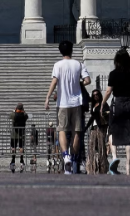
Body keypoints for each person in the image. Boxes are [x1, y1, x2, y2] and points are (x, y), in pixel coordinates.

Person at [45, 40, 85, 173]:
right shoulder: (79, 64)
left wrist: (47, 97)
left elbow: (54, 81)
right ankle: (73, 160)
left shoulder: (58, 65)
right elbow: (87, 80)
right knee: (76, 132)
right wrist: (78, 83)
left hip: (62, 103)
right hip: (76, 102)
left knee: (61, 129)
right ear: (72, 50)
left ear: (60, 51)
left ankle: (65, 156)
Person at [107, 47, 130, 174]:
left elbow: (108, 91)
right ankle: (128, 164)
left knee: (112, 129)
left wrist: (103, 103)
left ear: (116, 61)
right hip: (129, 102)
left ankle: (114, 156)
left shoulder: (113, 73)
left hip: (118, 102)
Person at [9, 103, 28, 171]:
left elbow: (10, 116)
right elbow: (27, 117)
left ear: (16, 108)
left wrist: (14, 111)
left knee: (13, 147)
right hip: (21, 133)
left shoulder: (13, 114)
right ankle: (21, 160)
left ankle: (13, 160)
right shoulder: (24, 114)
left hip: (14, 133)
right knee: (21, 147)